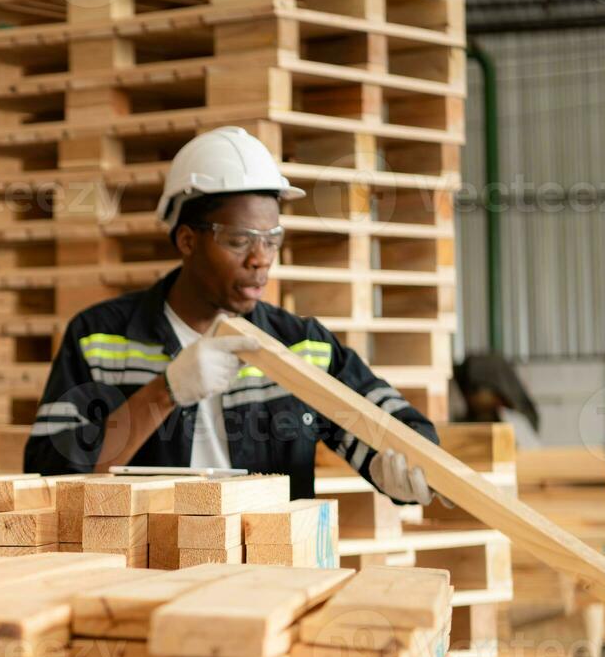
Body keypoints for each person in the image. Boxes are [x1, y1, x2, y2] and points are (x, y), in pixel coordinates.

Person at [24, 126, 439, 503]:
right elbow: (49, 477)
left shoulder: (301, 346)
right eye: (240, 240)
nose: (261, 260)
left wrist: (406, 465)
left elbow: (392, 420)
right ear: (187, 240)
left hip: (274, 578)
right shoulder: (100, 339)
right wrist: (164, 392)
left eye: (272, 240)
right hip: (146, 578)